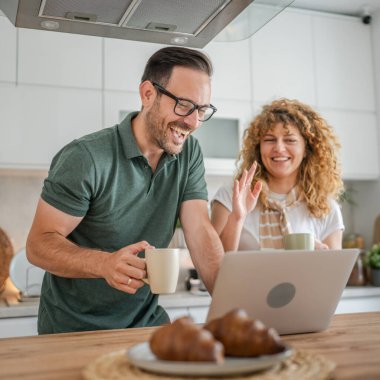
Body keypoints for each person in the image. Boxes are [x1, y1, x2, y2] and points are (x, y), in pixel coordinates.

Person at [26, 47, 224, 334]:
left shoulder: (189, 152)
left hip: (146, 325)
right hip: (73, 330)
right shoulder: (86, 157)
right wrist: (104, 263)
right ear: (147, 94)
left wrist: (234, 302)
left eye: (201, 110)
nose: (193, 122)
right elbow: (39, 244)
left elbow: (200, 232)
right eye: (183, 105)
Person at [211, 98, 344, 251]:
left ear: (307, 149)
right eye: (269, 139)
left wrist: (321, 258)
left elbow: (334, 273)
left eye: (290, 140)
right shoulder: (231, 196)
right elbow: (215, 264)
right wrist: (237, 218)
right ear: (258, 148)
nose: (279, 148)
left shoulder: (325, 206)